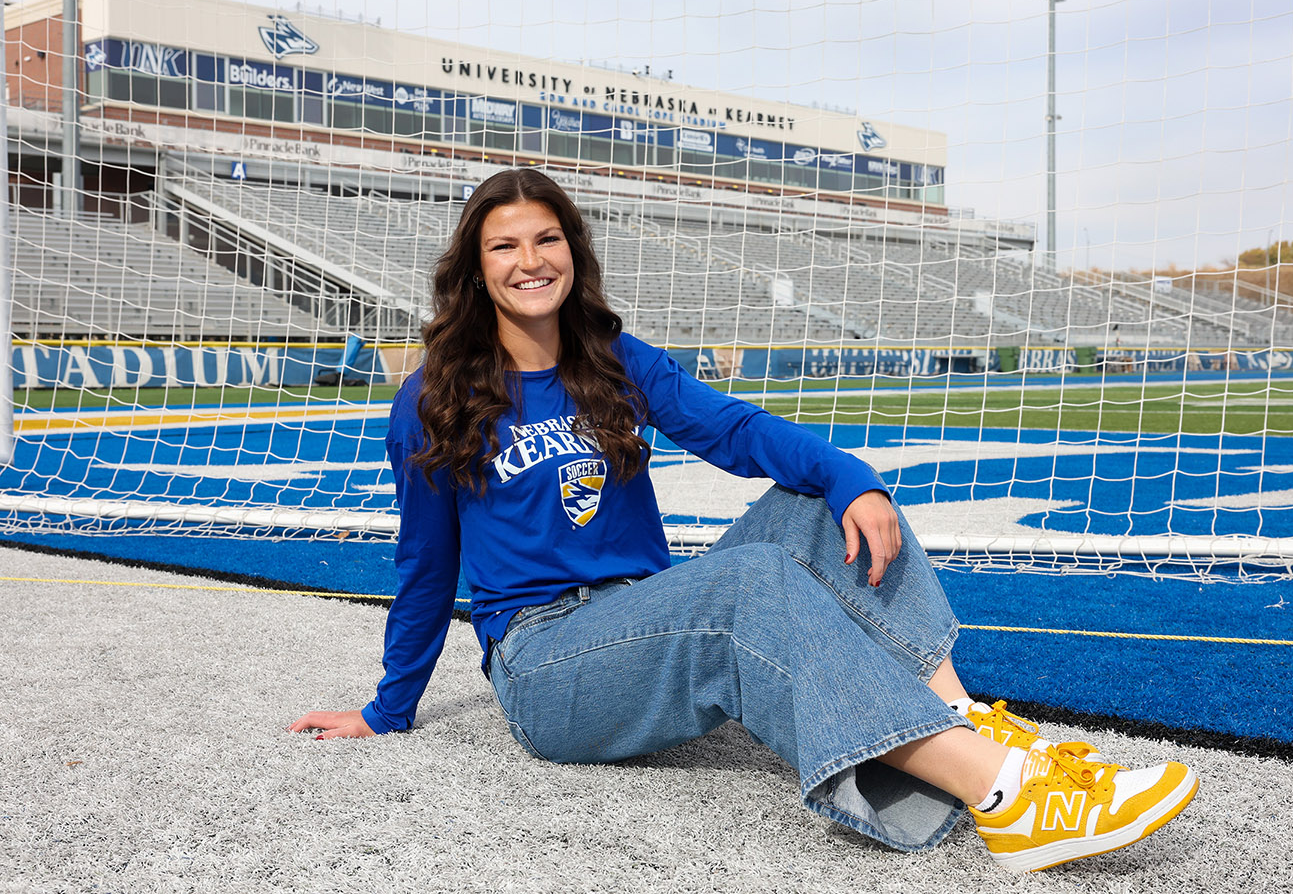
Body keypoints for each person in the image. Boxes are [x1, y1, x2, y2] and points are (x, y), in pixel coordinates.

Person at [290, 168, 1197, 871]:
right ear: (474, 268)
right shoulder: (433, 398)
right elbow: (424, 567)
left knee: (818, 500)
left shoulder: (611, 360)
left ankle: (960, 717)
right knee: (748, 583)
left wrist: (854, 478)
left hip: (644, 612)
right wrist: (387, 709)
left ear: (574, 250)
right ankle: (1008, 799)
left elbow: (735, 432)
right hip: (546, 664)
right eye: (504, 246)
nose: (531, 260)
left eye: (548, 237)